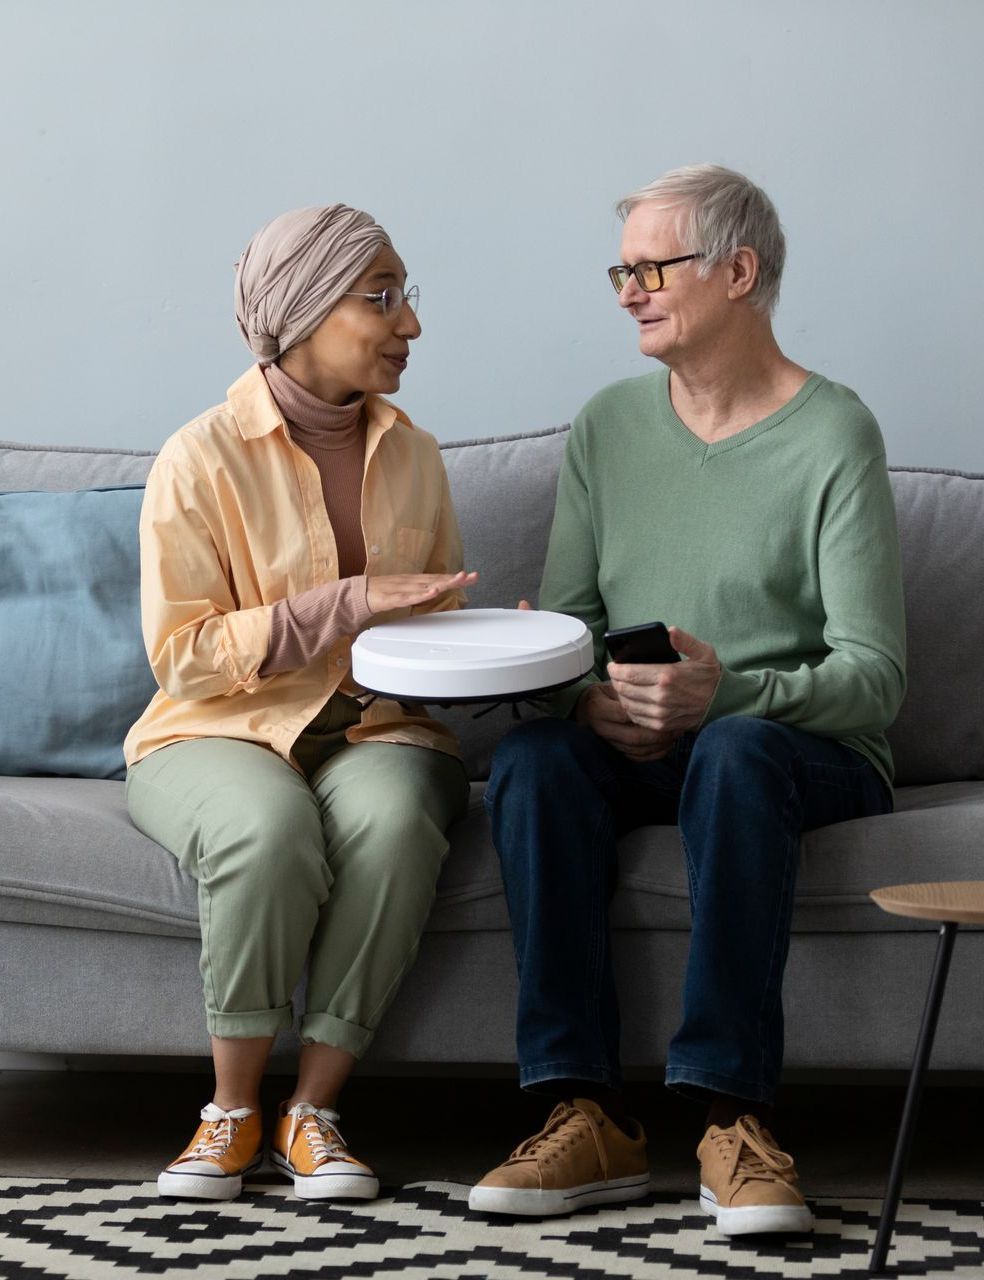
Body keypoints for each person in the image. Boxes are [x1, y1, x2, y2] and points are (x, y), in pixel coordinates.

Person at [469, 165, 905, 1234]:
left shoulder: (834, 433)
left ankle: (735, 1117)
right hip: (643, 745)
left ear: (740, 272)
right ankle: (585, 1110)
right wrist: (584, 700)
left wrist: (726, 692)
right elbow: (566, 623)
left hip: (795, 749)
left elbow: (876, 677)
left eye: (652, 267)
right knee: (530, 761)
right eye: (622, 269)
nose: (628, 289)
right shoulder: (609, 426)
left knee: (739, 750)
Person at [124, 205, 476, 1203]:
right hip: (214, 726)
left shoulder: (416, 452)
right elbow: (184, 655)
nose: (409, 324)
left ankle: (311, 1110)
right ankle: (230, 1111)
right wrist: (344, 605)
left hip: (376, 728)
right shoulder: (198, 458)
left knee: (398, 815)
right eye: (383, 297)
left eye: (407, 296)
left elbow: (427, 623)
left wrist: (487, 644)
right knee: (266, 828)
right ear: (307, 309)